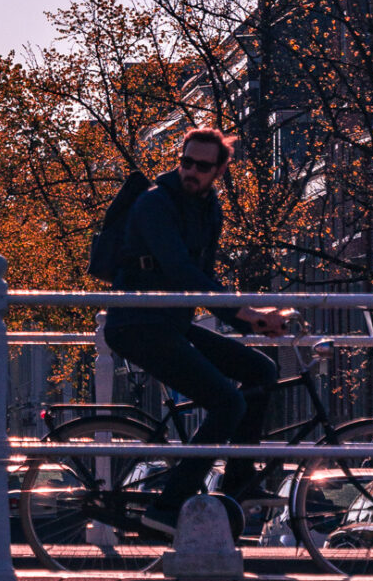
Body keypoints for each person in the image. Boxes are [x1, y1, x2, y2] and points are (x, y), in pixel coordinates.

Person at [104, 127, 288, 534]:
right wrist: (247, 313)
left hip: (172, 321)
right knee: (227, 403)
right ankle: (166, 508)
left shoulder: (210, 210)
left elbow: (203, 275)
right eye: (186, 162)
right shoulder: (155, 204)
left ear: (220, 170)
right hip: (137, 323)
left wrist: (251, 320)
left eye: (202, 166)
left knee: (260, 371)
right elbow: (181, 271)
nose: (191, 171)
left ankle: (238, 482)